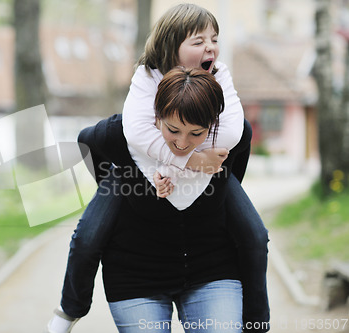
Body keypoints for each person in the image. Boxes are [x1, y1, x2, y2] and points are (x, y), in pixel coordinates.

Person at [47, 3, 269, 333]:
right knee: (88, 238)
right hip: (130, 195)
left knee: (254, 234)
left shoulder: (219, 76)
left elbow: (237, 135)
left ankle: (257, 322)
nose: (210, 47)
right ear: (171, 47)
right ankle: (70, 308)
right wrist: (125, 179)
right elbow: (104, 138)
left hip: (210, 196)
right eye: (197, 41)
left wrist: (214, 179)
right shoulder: (143, 88)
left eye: (214, 39)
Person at [81, 67, 243, 332]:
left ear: (212, 125)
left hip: (210, 271)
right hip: (136, 276)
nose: (182, 143)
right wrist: (115, 184)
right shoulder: (123, 134)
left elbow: (239, 162)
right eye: (173, 130)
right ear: (156, 115)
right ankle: (70, 308)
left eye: (196, 133)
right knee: (85, 239)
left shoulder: (225, 145)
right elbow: (86, 140)